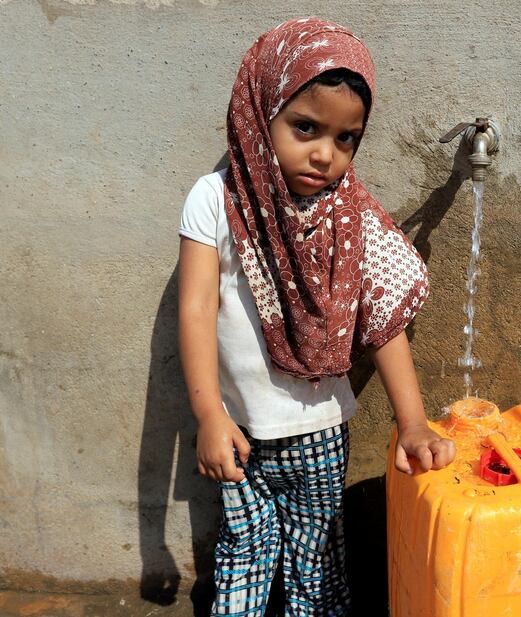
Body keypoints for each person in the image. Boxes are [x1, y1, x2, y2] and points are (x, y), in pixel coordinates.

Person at [177, 17, 456, 616]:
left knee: (319, 561)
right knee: (243, 555)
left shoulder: (349, 213)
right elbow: (196, 307)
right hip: (240, 431)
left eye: (346, 138)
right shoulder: (215, 201)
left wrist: (412, 423)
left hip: (322, 429)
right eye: (304, 127)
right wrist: (207, 414)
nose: (325, 154)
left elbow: (382, 319)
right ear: (261, 109)